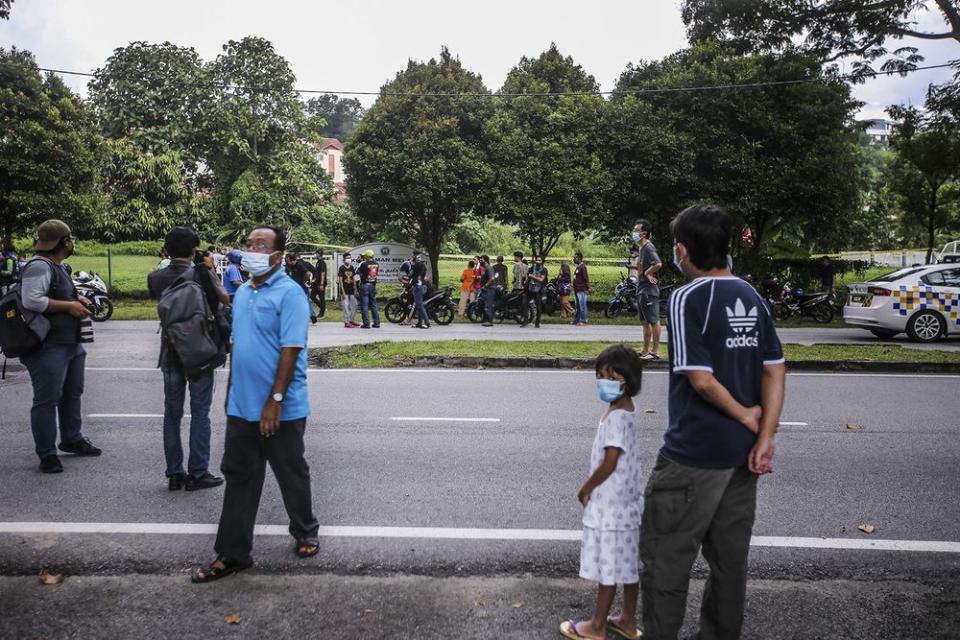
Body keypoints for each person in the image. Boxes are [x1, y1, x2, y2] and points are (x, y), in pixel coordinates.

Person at [640, 204, 785, 640]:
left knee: (666, 561)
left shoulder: (687, 297)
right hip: (741, 458)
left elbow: (700, 381)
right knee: (729, 566)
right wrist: (764, 435)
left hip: (692, 457)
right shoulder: (752, 295)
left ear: (682, 251)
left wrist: (743, 412)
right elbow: (775, 369)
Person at [192, 225, 319, 583]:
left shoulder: (291, 294)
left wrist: (274, 400)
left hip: (281, 406)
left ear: (277, 255)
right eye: (248, 243)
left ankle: (306, 529)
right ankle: (233, 553)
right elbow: (241, 342)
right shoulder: (244, 292)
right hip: (241, 407)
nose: (251, 249)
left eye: (260, 244)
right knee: (240, 478)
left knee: (290, 471)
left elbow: (291, 349)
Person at [560, 345, 644, 640]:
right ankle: (628, 620)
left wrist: (586, 488)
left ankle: (596, 627)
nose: (602, 381)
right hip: (628, 504)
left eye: (608, 376)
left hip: (611, 504)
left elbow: (610, 462)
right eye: (599, 375)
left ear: (626, 379)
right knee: (628, 563)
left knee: (609, 565)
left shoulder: (618, 418)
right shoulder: (624, 408)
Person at [147, 226, 230, 491]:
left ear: (166, 250)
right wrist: (209, 269)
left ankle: (174, 473)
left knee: (172, 413)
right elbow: (224, 299)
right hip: (199, 351)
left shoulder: (155, 277)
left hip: (170, 351)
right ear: (195, 248)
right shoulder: (200, 274)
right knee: (200, 412)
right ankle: (198, 472)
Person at [19, 220, 101, 474]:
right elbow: (31, 300)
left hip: (70, 343)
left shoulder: (58, 267)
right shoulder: (39, 267)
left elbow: (58, 292)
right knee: (46, 400)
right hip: (48, 345)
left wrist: (77, 298)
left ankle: (71, 438)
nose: (72, 243)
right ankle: (47, 454)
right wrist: (69, 307)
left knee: (72, 393)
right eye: (70, 239)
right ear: (64, 242)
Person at [633, 220, 663, 361]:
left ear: (644, 233)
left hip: (649, 291)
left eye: (636, 230)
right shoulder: (641, 248)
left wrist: (647, 273)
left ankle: (655, 352)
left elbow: (658, 263)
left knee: (653, 321)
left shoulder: (649, 247)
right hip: (642, 290)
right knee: (645, 322)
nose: (634, 233)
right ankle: (645, 351)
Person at [285, 253, 318, 324]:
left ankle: (311, 316)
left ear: (293, 261)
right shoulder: (288, 267)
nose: (287, 262)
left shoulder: (299, 265)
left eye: (288, 261)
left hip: (302, 288)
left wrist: (305, 281)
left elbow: (308, 273)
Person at [356, 249, 381, 329]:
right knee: (373, 305)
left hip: (364, 286)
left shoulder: (363, 263)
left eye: (364, 256)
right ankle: (376, 323)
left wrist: (356, 286)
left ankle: (366, 324)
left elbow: (356, 274)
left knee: (365, 305)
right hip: (373, 286)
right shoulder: (376, 264)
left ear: (367, 256)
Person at [522, 255, 547, 328]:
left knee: (539, 307)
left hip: (538, 290)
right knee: (524, 304)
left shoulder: (544, 270)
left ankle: (537, 322)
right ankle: (525, 320)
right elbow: (527, 276)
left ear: (542, 262)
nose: (537, 262)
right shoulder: (532, 268)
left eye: (539, 260)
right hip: (530, 289)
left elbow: (541, 280)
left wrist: (532, 276)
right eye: (537, 260)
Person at [410, 250, 430, 329]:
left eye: (413, 256)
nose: (412, 257)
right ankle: (419, 323)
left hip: (417, 287)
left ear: (415, 257)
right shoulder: (422, 266)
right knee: (419, 305)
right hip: (421, 285)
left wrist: (411, 264)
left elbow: (410, 274)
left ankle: (427, 323)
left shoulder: (416, 265)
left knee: (420, 305)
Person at [338, 253, 358, 328]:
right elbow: (340, 280)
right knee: (346, 306)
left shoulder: (352, 267)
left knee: (354, 305)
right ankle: (346, 322)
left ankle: (352, 320)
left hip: (352, 290)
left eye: (349, 258)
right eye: (347, 258)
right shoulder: (341, 268)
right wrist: (342, 291)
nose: (348, 259)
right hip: (345, 290)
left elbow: (354, 279)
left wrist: (355, 289)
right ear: (343, 259)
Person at [480, 255, 499, 327]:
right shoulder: (485, 268)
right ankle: (485, 320)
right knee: (485, 305)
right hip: (486, 290)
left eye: (481, 260)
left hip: (490, 289)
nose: (480, 261)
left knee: (488, 305)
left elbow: (492, 279)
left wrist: (485, 286)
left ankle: (489, 321)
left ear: (485, 260)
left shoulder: (489, 268)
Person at [573, 252, 590, 326]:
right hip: (577, 289)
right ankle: (577, 320)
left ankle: (584, 320)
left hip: (582, 289)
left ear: (579, 258)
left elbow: (586, 278)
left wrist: (588, 288)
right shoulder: (578, 267)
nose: (573, 259)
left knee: (582, 305)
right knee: (578, 306)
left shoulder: (583, 267)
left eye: (575, 258)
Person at [311, 250, 328, 318]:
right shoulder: (318, 262)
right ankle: (322, 308)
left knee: (321, 298)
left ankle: (322, 312)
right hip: (316, 283)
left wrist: (321, 284)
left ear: (319, 254)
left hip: (320, 283)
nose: (315, 255)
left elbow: (323, 273)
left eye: (316, 253)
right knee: (312, 296)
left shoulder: (322, 263)